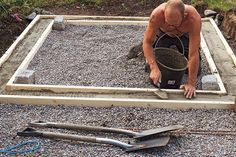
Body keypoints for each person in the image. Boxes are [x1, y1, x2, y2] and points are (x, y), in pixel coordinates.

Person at [143, 0, 201, 99]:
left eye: (174, 24)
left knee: (197, 71)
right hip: (163, 34)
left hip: (183, 36)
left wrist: (191, 83)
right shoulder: (157, 15)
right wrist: (153, 67)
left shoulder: (193, 19)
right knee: (151, 68)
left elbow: (193, 53)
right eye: (168, 22)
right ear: (164, 13)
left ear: (184, 16)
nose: (170, 26)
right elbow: (147, 43)